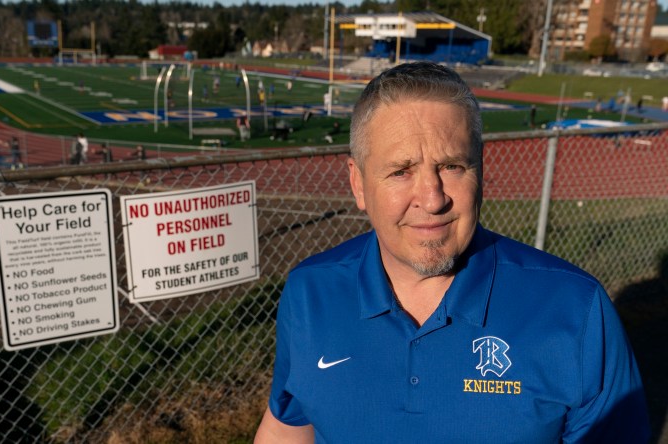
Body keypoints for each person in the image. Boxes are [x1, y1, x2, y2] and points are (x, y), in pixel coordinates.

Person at [255, 62, 650, 443]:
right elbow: (288, 426)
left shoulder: (576, 310)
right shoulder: (309, 293)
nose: (432, 199)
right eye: (401, 171)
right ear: (358, 184)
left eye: (452, 166)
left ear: (480, 170)